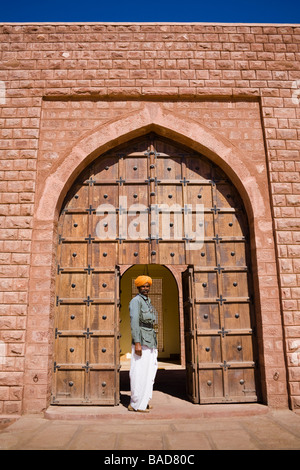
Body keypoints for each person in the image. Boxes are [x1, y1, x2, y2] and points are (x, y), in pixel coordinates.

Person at [128, 275, 158, 413]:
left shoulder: (147, 301)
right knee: (139, 372)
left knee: (149, 372)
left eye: (147, 286)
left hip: (150, 340)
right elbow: (134, 323)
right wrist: (137, 342)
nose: (146, 288)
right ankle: (136, 404)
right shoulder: (136, 301)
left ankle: (144, 401)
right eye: (143, 286)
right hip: (142, 342)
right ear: (138, 287)